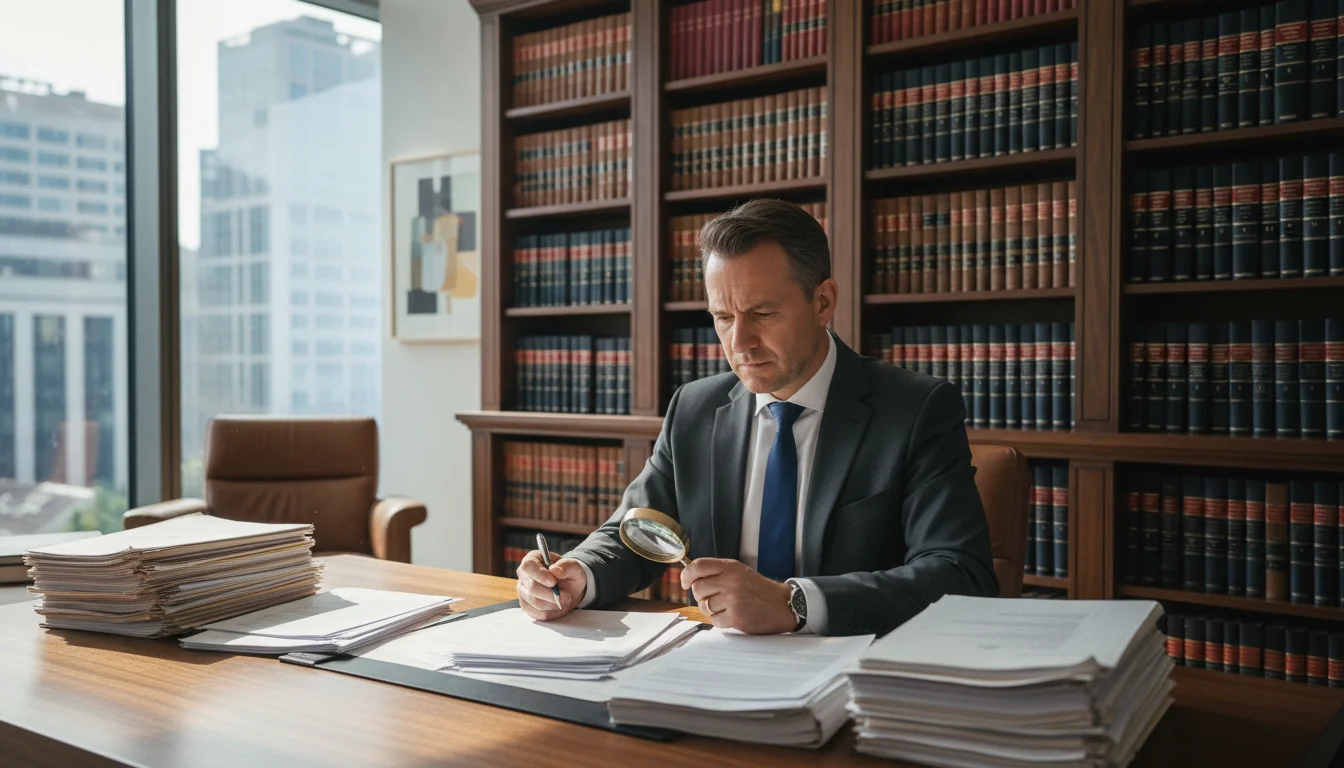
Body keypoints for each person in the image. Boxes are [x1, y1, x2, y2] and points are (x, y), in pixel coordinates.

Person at [515, 199, 998, 636]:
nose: (739, 342)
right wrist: (578, 574)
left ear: (823, 302)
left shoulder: (915, 409)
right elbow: (637, 532)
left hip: (858, 673)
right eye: (723, 317)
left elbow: (960, 574)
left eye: (762, 313)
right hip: (718, 670)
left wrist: (796, 604)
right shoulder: (695, 407)